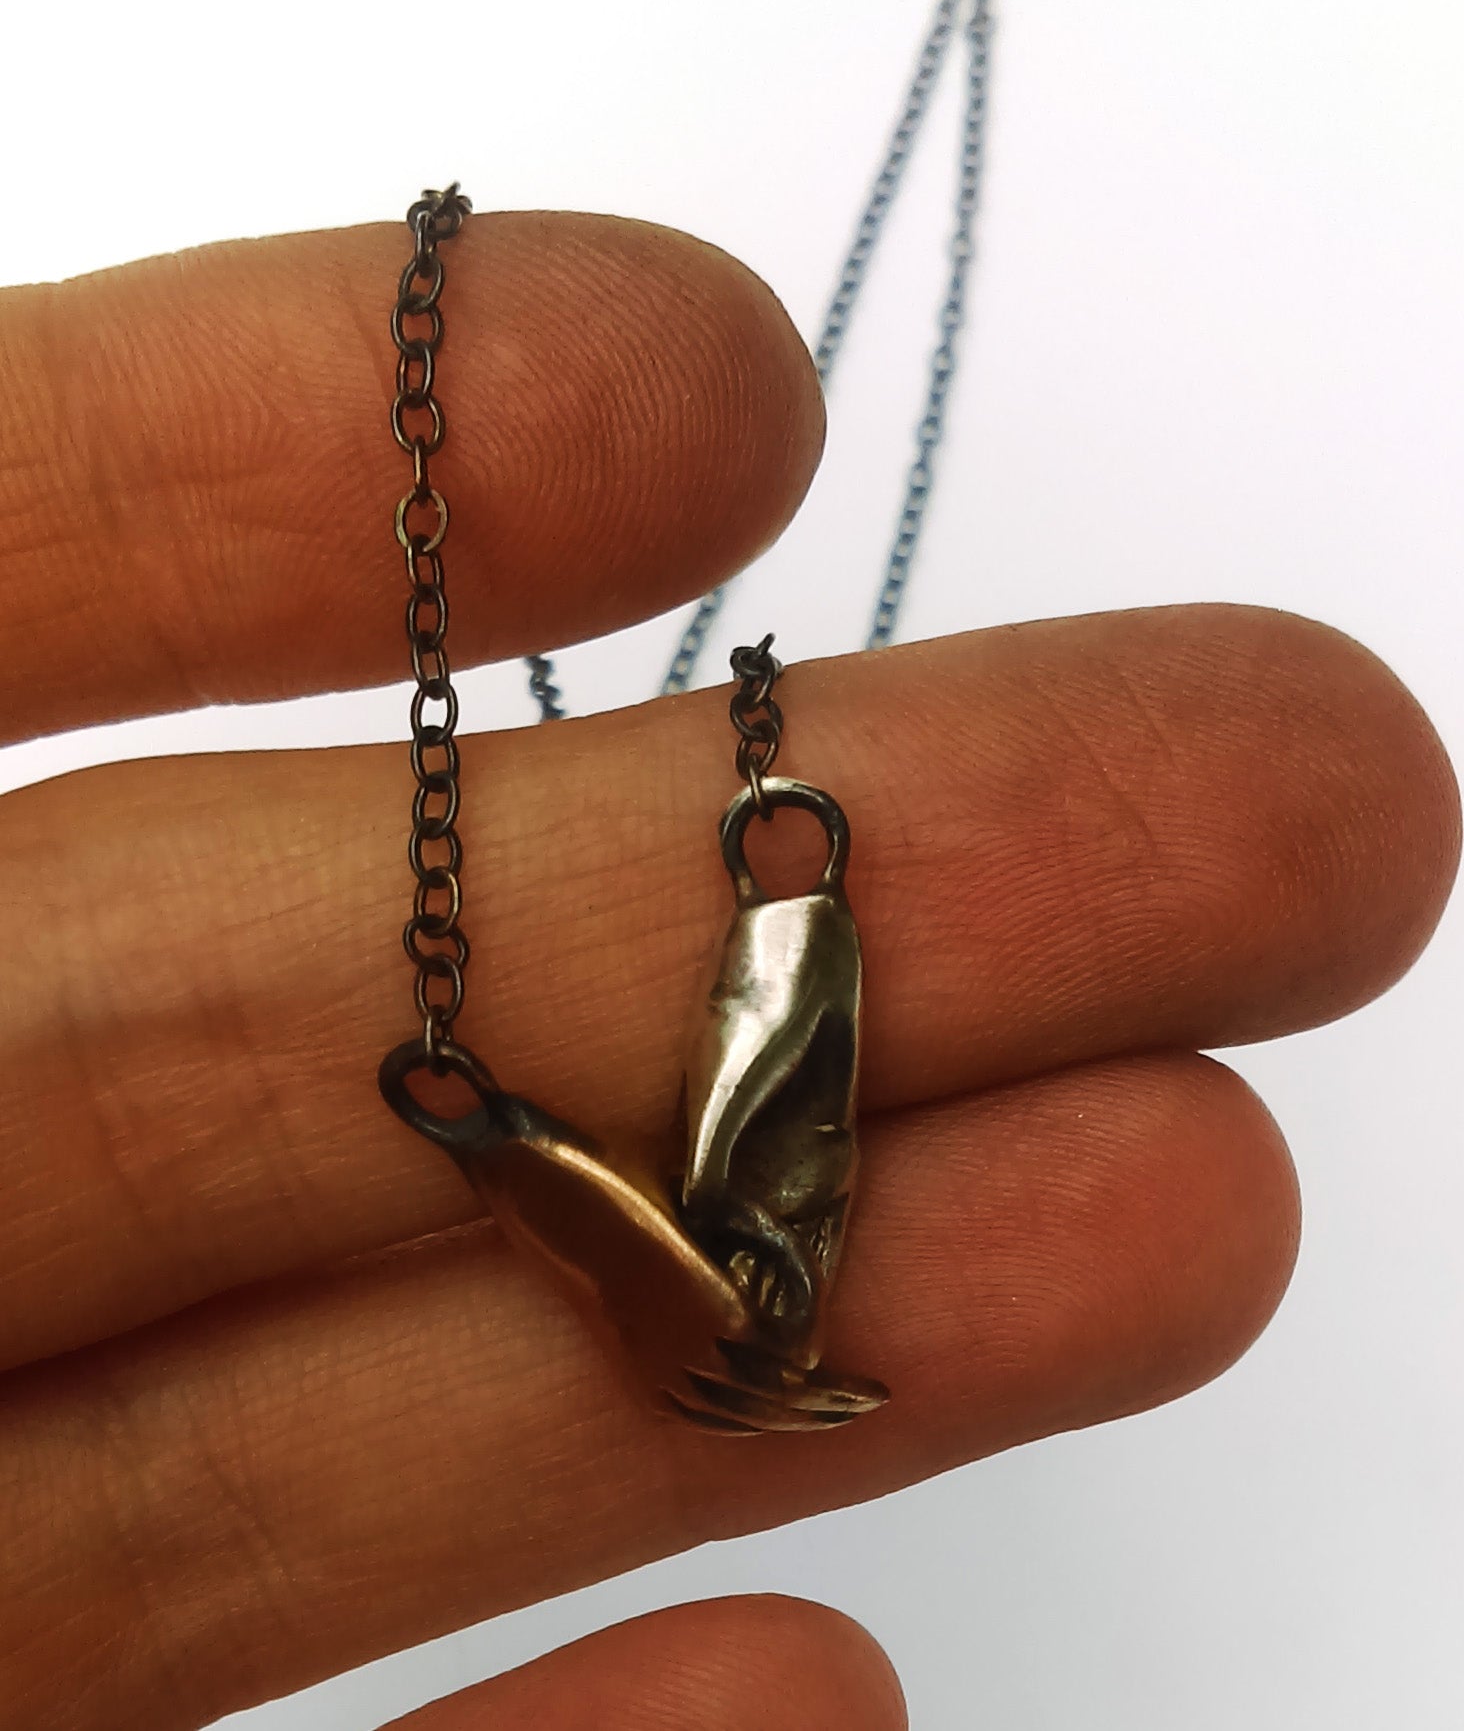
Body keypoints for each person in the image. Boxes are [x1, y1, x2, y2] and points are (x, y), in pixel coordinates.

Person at [0, 209, 1456, 1730]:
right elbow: (687, 1214)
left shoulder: (755, 1195)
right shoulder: (745, 1246)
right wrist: (529, 1169)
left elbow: (707, 1196)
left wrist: (553, 1166)